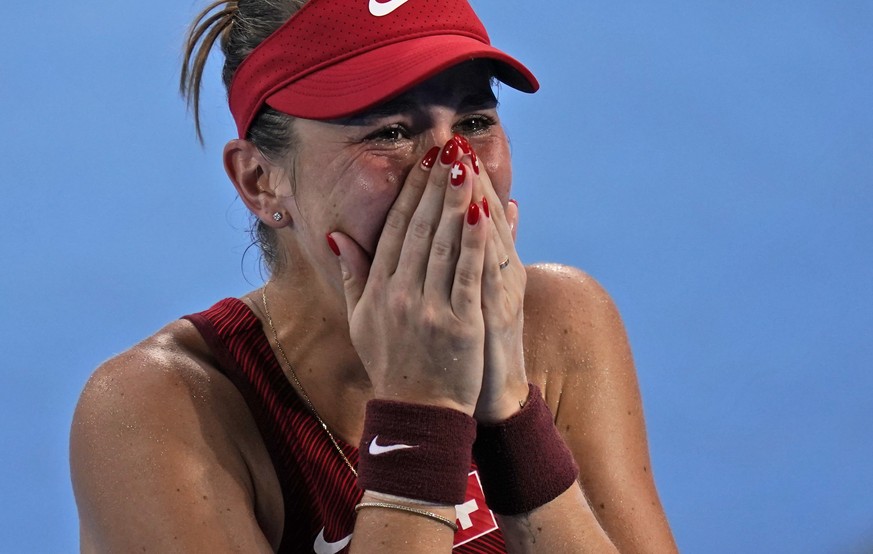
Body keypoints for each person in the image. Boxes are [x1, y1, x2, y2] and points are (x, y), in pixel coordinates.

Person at [70, 0, 678, 551]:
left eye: (473, 121)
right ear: (260, 181)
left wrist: (512, 417)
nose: (454, 169)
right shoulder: (158, 410)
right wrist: (425, 413)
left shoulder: (559, 325)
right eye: (389, 132)